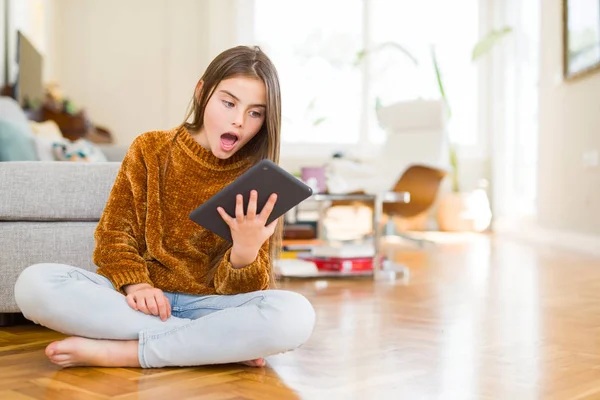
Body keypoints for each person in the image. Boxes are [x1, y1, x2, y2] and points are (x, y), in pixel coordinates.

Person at [13, 45, 316, 369]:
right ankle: (208, 346)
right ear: (202, 93)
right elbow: (114, 234)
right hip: (138, 302)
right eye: (228, 103)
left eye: (255, 112)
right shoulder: (151, 148)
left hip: (213, 307)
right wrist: (137, 284)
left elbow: (242, 292)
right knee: (33, 285)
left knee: (295, 316)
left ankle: (127, 353)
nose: (239, 121)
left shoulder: (260, 177)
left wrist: (245, 251)